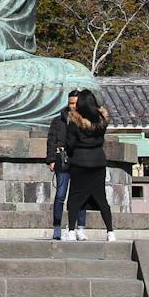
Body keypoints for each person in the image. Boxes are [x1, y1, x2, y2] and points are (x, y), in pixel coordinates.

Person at [63, 89, 115, 241]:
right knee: (101, 198)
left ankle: (72, 230)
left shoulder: (75, 122)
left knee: (74, 197)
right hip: (98, 161)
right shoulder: (101, 122)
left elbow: (70, 143)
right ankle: (110, 231)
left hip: (80, 162)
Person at [46, 94, 75, 242]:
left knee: (77, 197)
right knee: (60, 194)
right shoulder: (58, 121)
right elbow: (51, 140)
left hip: (78, 161)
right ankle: (57, 226)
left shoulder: (83, 121)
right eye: (71, 103)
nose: (74, 106)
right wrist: (51, 159)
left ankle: (75, 228)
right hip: (62, 160)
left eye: (76, 103)